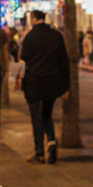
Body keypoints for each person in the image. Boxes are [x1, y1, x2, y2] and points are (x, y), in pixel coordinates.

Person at [20, 10, 70, 164]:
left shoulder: (30, 36)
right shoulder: (56, 36)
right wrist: (65, 87)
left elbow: (24, 56)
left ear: (34, 19)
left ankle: (39, 151)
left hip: (35, 81)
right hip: (52, 82)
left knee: (36, 116)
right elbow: (64, 62)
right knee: (47, 114)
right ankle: (52, 141)